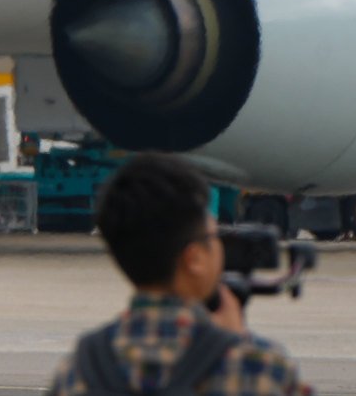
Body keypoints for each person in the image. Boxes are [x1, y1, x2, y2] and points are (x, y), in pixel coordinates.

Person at [49, 152, 310, 395]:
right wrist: (236, 342)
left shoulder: (77, 371)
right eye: (214, 236)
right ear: (194, 258)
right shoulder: (259, 369)